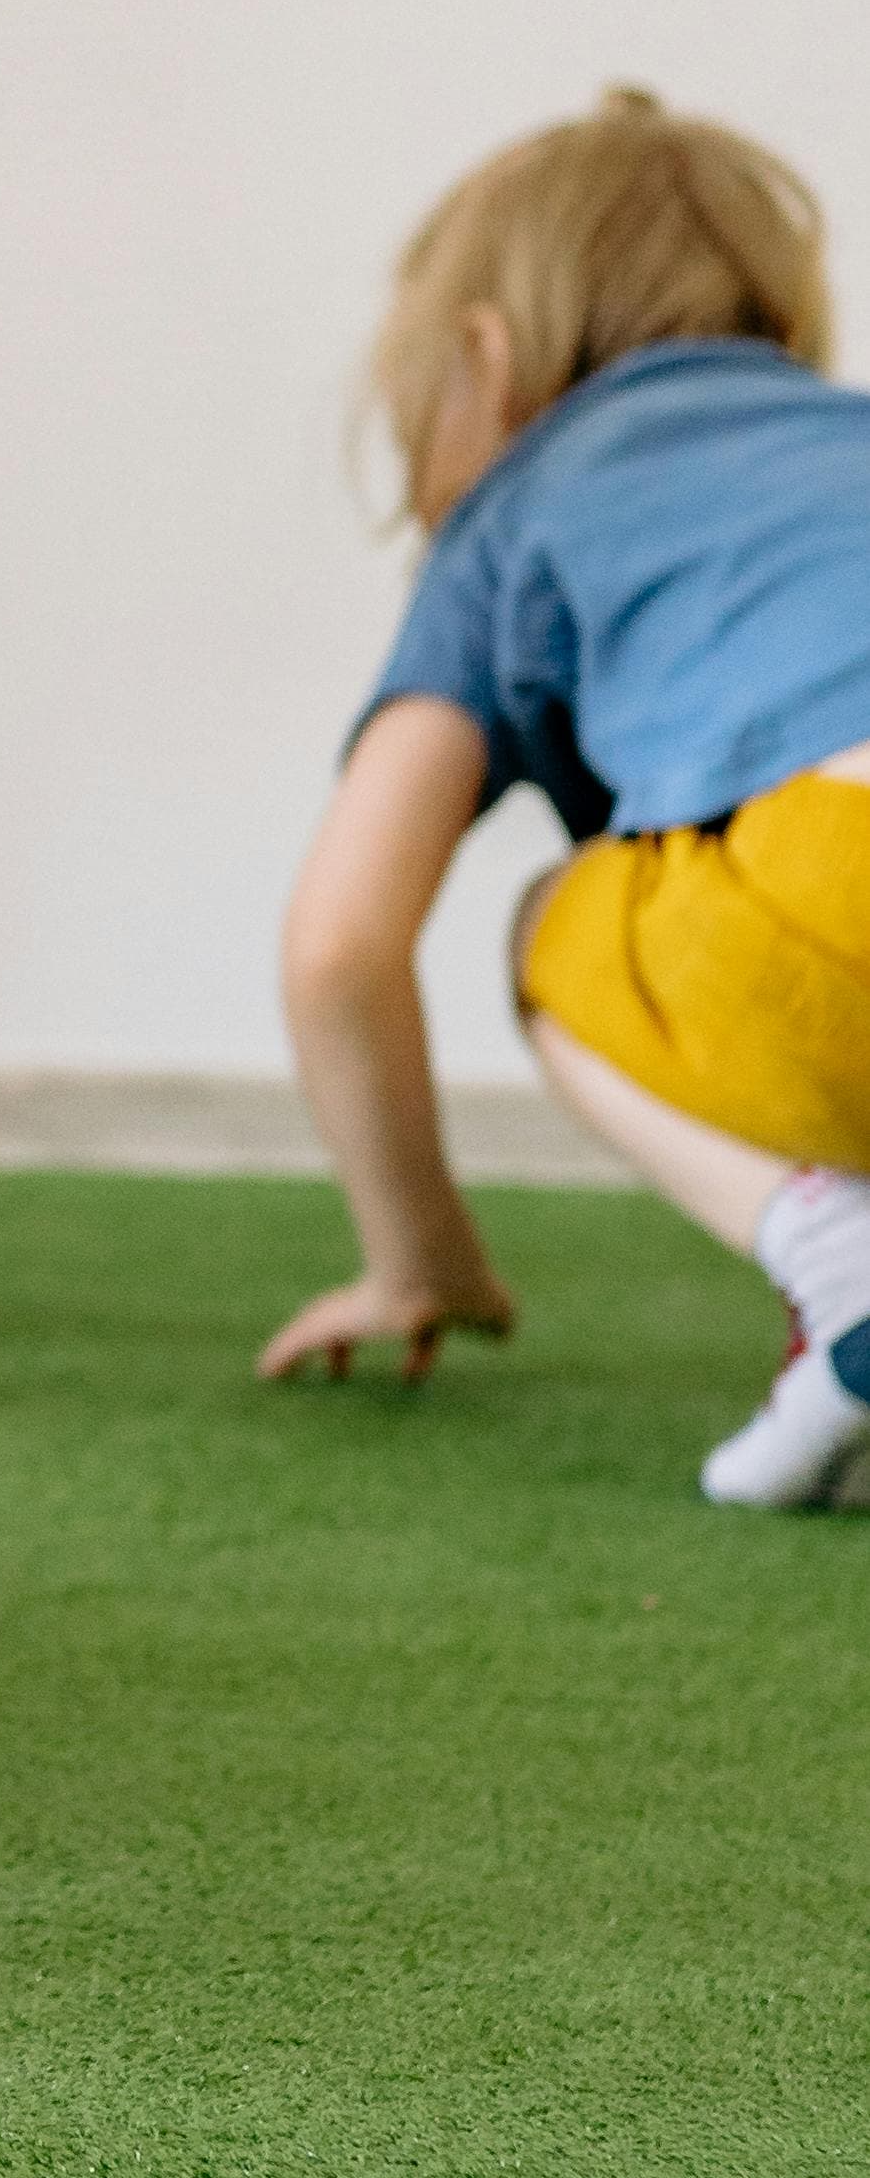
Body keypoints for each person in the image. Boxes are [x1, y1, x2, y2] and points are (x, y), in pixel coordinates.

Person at [263, 87, 870, 1505]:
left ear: (484, 359)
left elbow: (339, 944)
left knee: (559, 923)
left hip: (829, 877)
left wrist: (420, 1257)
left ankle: (839, 1266)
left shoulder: (519, 507)